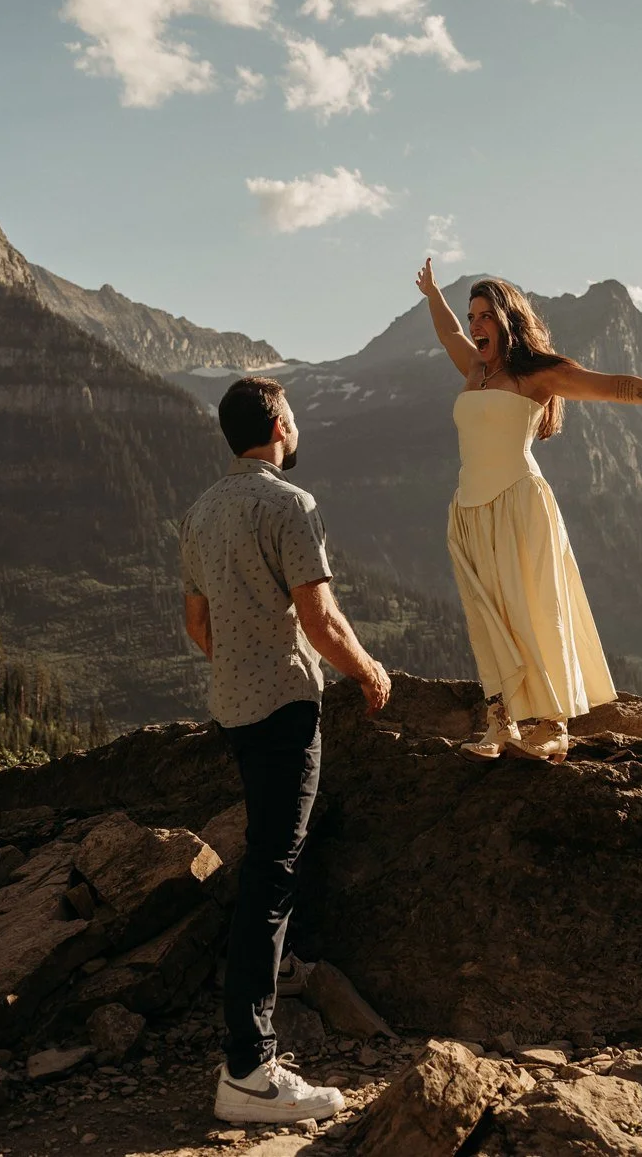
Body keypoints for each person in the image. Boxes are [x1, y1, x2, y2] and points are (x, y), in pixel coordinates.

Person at [179, 376, 393, 1125]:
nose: (299, 425)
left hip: (234, 708)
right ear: (275, 423)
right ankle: (249, 1068)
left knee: (268, 862)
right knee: (271, 875)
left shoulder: (203, 510)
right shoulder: (289, 505)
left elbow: (197, 620)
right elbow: (321, 615)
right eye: (293, 415)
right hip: (286, 707)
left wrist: (235, 663)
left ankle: (268, 1006)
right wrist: (369, 672)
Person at [414, 261, 642, 761]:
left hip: (519, 501)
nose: (474, 327)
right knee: (485, 615)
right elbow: (447, 330)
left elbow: (612, 386)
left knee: (532, 608)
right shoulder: (474, 369)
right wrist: (432, 294)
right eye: (472, 317)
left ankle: (553, 726)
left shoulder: (539, 374)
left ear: (506, 319)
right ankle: (502, 725)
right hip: (469, 508)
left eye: (484, 316)